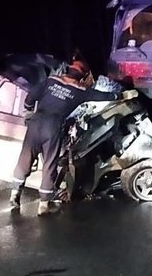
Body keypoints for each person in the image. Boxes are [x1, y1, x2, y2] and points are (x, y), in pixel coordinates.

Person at [9, 58, 121, 216]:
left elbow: (30, 97)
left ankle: (14, 196)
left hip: (36, 122)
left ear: (67, 70)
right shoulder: (79, 90)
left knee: (25, 158)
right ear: (81, 77)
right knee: (49, 163)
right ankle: (44, 206)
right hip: (53, 127)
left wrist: (28, 113)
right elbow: (99, 96)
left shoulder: (50, 81)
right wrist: (118, 96)